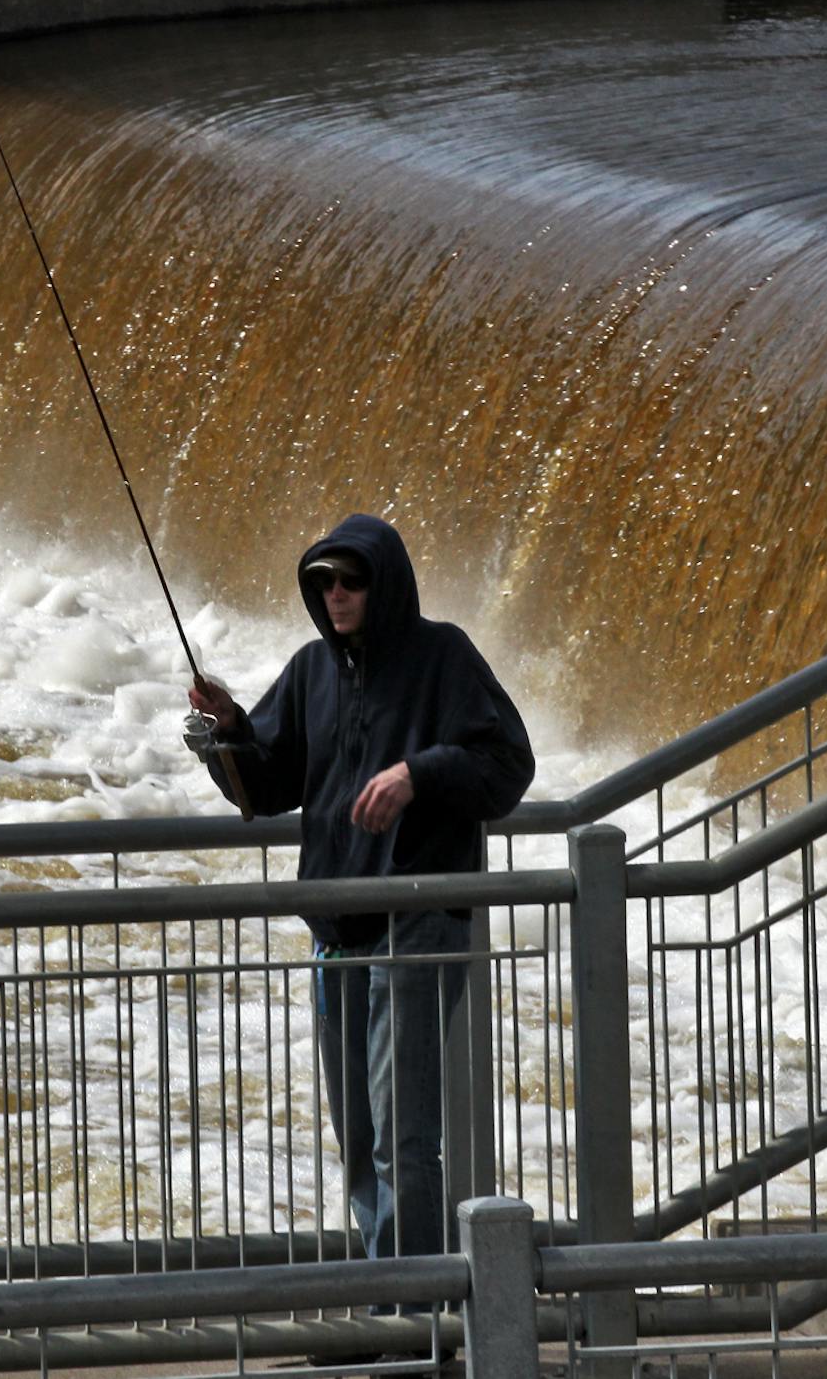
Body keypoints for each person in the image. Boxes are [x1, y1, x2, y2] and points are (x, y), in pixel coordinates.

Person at [187, 513, 535, 1275]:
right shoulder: (312, 669)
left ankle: (416, 1320)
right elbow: (270, 782)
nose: (336, 594)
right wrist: (230, 729)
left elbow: (508, 764)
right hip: (335, 933)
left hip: (415, 925)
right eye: (323, 582)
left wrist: (418, 773)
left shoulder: (443, 656)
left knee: (401, 1136)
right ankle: (391, 1305)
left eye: (350, 579)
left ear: (386, 583)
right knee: (358, 1138)